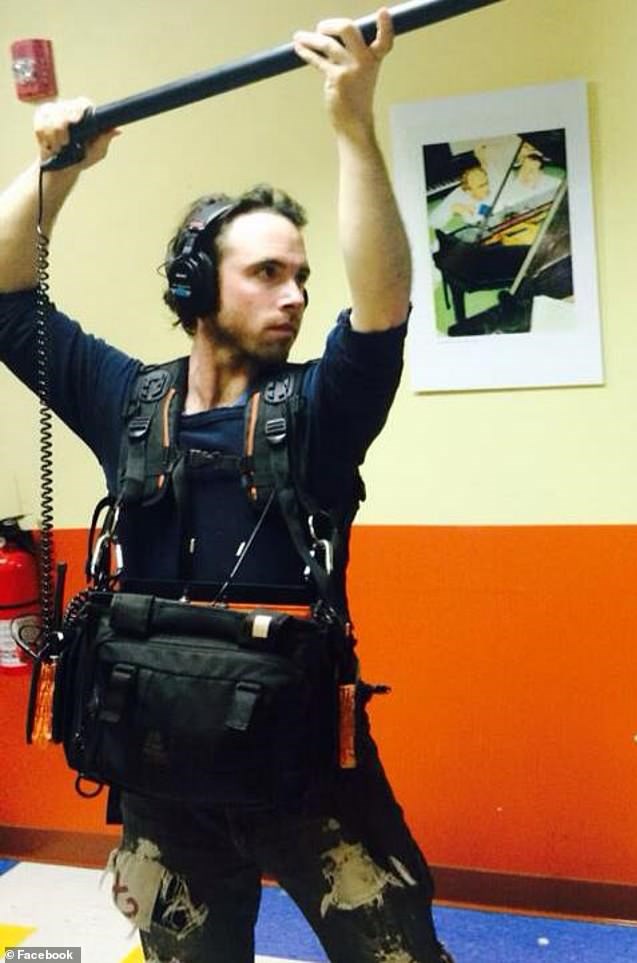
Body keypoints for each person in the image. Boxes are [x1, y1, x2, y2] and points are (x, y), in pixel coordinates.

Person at [0, 10, 453, 963]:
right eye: (266, 273)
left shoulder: (318, 412)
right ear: (195, 286)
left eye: (302, 275)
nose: (294, 295)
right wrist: (55, 169)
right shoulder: (129, 401)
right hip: (160, 769)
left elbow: (382, 307)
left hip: (306, 769)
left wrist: (352, 121)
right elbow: (4, 296)